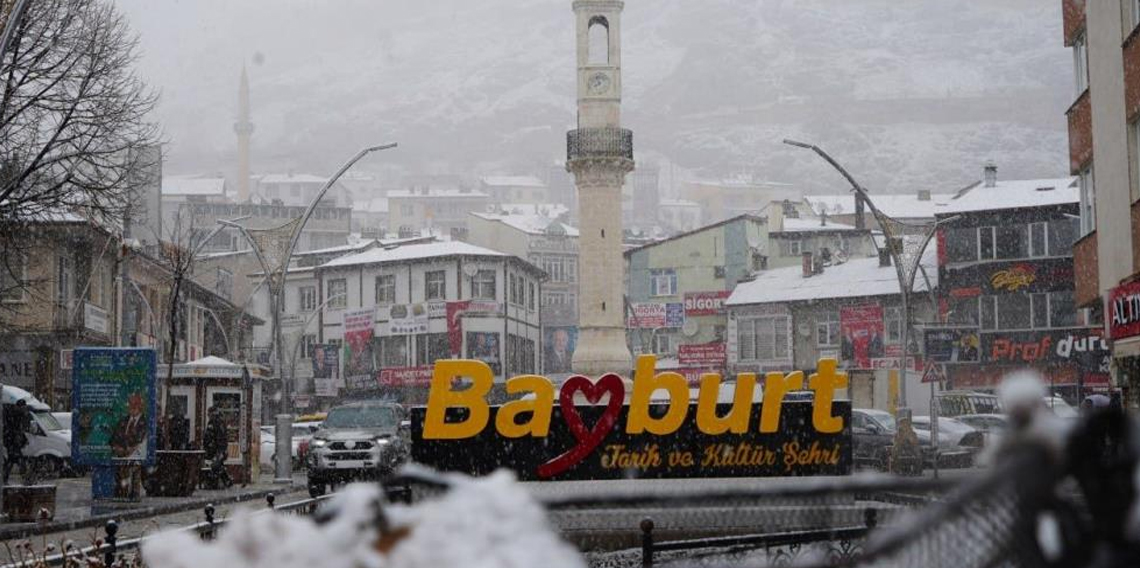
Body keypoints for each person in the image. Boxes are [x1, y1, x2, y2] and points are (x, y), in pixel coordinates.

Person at [3, 399, 31, 484]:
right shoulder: (14, 415)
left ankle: (4, 478)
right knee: (19, 460)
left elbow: (19, 430)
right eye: (23, 407)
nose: (24, 409)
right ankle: (25, 479)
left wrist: (23, 439)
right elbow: (15, 430)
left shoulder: (16, 415)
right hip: (11, 441)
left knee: (11, 461)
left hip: (12, 442)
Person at [203, 407, 232, 489]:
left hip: (216, 449)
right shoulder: (218, 422)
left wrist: (218, 450)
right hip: (215, 449)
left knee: (216, 465)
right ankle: (226, 481)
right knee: (218, 465)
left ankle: (215, 483)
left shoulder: (215, 422)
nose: (208, 415)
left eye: (209, 414)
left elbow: (218, 437)